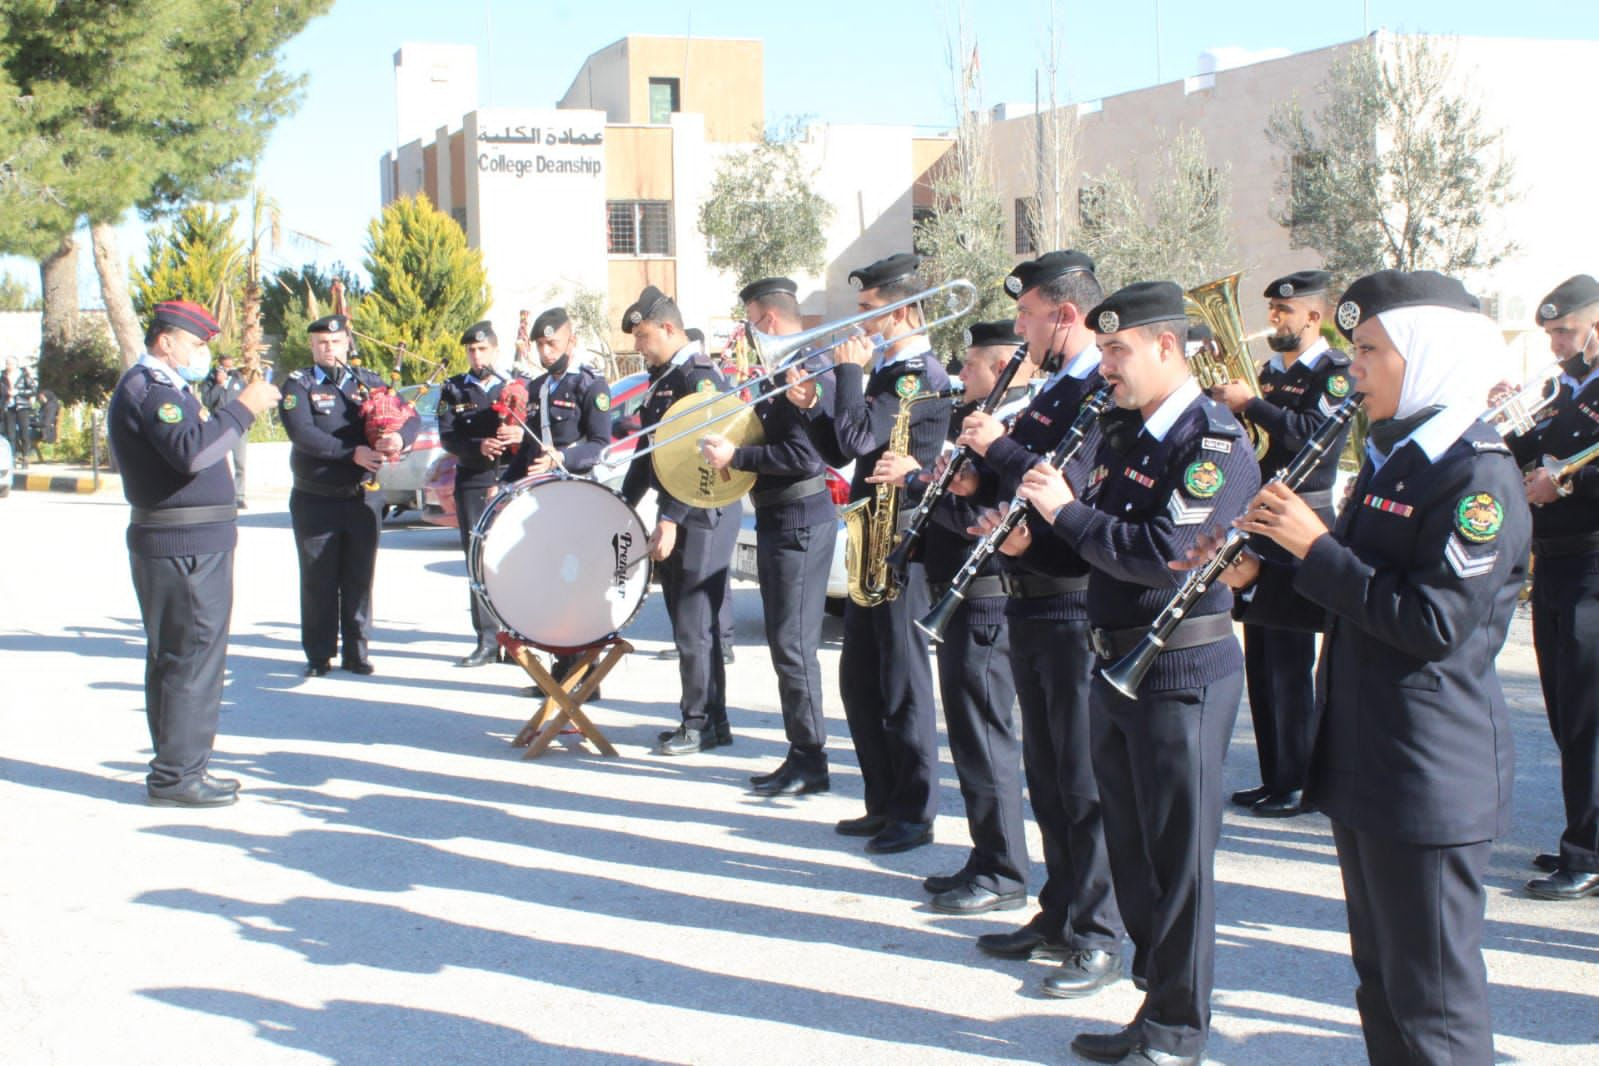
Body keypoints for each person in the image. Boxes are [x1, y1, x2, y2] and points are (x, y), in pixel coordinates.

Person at [1208, 269, 1530, 1063]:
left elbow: (1431, 623)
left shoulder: (1474, 475)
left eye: (1370, 351)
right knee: (1380, 985)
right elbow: (1352, 600)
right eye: (1353, 349)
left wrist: (1310, 545)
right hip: (1367, 755)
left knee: (1433, 1005)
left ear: (1427, 357)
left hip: (1427, 770)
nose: (1354, 368)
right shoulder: (1399, 458)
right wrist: (1265, 576)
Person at [1016, 281, 1259, 1065]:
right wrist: (1030, 537)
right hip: (1118, 660)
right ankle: (1155, 1004)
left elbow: (1159, 556)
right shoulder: (1127, 433)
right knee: (1132, 850)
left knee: (1177, 859)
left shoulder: (1211, 442)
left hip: (1182, 664)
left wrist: (1063, 513)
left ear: (1165, 347)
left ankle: (1179, 1031)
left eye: (1117, 352)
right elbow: (1094, 545)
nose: (1105, 366)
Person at [952, 252, 1127, 996]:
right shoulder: (1056, 384)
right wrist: (983, 489)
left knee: (1084, 779)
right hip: (1030, 585)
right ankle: (1058, 910)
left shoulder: (1101, 387)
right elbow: (1028, 479)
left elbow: (1075, 482)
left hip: (1075, 593)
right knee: (1047, 771)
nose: (1018, 331)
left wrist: (999, 447)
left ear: (1063, 314)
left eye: (1026, 315)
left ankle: (1097, 931)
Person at [786, 252, 951, 854]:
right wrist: (810, 406)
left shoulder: (917, 376)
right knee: (860, 676)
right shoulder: (887, 370)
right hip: (869, 534)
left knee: (902, 679)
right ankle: (881, 800)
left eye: (869, 311)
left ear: (902, 308)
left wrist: (848, 374)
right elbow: (845, 447)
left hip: (900, 538)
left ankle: (915, 810)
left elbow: (860, 435)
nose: (859, 323)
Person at [107, 300, 280, 806]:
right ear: (166, 342)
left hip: (188, 542)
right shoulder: (151, 391)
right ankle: (178, 776)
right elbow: (193, 452)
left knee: (178, 658)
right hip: (183, 547)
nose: (204, 353)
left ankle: (176, 766)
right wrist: (244, 406)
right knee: (192, 658)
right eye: (197, 344)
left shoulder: (163, 388)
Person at [1210, 270, 1354, 819]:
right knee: (1263, 655)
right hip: (1262, 512)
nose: (1274, 320)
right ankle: (1275, 775)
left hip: (1305, 514)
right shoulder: (1268, 373)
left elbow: (1317, 437)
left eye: (1284, 313)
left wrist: (1251, 405)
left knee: (1292, 658)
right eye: (1271, 310)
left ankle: (1297, 778)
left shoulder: (1334, 371)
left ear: (1314, 317)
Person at [909, 319, 1035, 914]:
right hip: (961, 589)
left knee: (986, 733)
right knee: (966, 730)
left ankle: (1004, 869)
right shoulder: (980, 424)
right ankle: (987, 855)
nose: (962, 375)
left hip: (987, 591)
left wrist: (961, 490)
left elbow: (1002, 507)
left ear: (1006, 365)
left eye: (973, 365)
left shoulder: (1015, 426)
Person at [699, 277, 837, 794]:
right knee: (787, 645)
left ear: (768, 320)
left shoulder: (806, 365)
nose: (750, 334)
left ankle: (812, 759)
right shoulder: (784, 365)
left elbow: (805, 457)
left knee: (793, 646)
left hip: (801, 519)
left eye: (752, 323)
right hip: (784, 517)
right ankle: (802, 752)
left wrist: (739, 457)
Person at [618, 286, 742, 755]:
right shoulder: (664, 376)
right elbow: (647, 455)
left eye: (643, 335)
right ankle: (713, 719)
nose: (638, 346)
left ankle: (700, 723)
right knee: (691, 623)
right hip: (683, 509)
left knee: (694, 624)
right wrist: (622, 505)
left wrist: (668, 519)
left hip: (703, 509)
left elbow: (700, 459)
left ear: (668, 328)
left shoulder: (700, 378)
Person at [1509, 275, 1599, 901]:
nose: (1557, 343)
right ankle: (1582, 832)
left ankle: (1587, 853)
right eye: (1551, 333)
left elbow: (1569, 473)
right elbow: (1535, 451)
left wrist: (1561, 484)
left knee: (1588, 715)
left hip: (1592, 566)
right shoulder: (1568, 391)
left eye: (1565, 331)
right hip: (1558, 564)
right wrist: (1515, 419)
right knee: (1567, 711)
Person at [279, 315, 419, 677]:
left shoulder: (369, 382)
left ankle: (357, 652)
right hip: (316, 498)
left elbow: (410, 415)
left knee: (359, 577)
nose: (329, 348)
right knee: (318, 577)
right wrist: (350, 452)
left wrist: (399, 439)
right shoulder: (299, 385)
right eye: (322, 342)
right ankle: (319, 654)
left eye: (336, 341)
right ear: (312, 346)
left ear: (347, 343)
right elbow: (303, 433)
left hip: (363, 496)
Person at [437, 320, 518, 667]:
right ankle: (486, 639)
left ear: (495, 350)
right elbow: (447, 436)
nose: (476, 355)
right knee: (478, 559)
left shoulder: (514, 385)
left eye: (483, 349)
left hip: (510, 479)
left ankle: (516, 639)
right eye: (471, 349)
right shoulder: (454, 389)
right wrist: (476, 444)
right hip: (473, 479)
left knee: (514, 559)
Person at [202, 354, 249, 508]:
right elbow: (208, 401)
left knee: (240, 463)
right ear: (219, 366)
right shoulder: (210, 380)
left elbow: (246, 401)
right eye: (225, 367)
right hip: (219, 426)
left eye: (230, 366)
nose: (228, 370)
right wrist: (218, 385)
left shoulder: (239, 379)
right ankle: (219, 495)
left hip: (239, 426)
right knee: (219, 463)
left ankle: (239, 496)